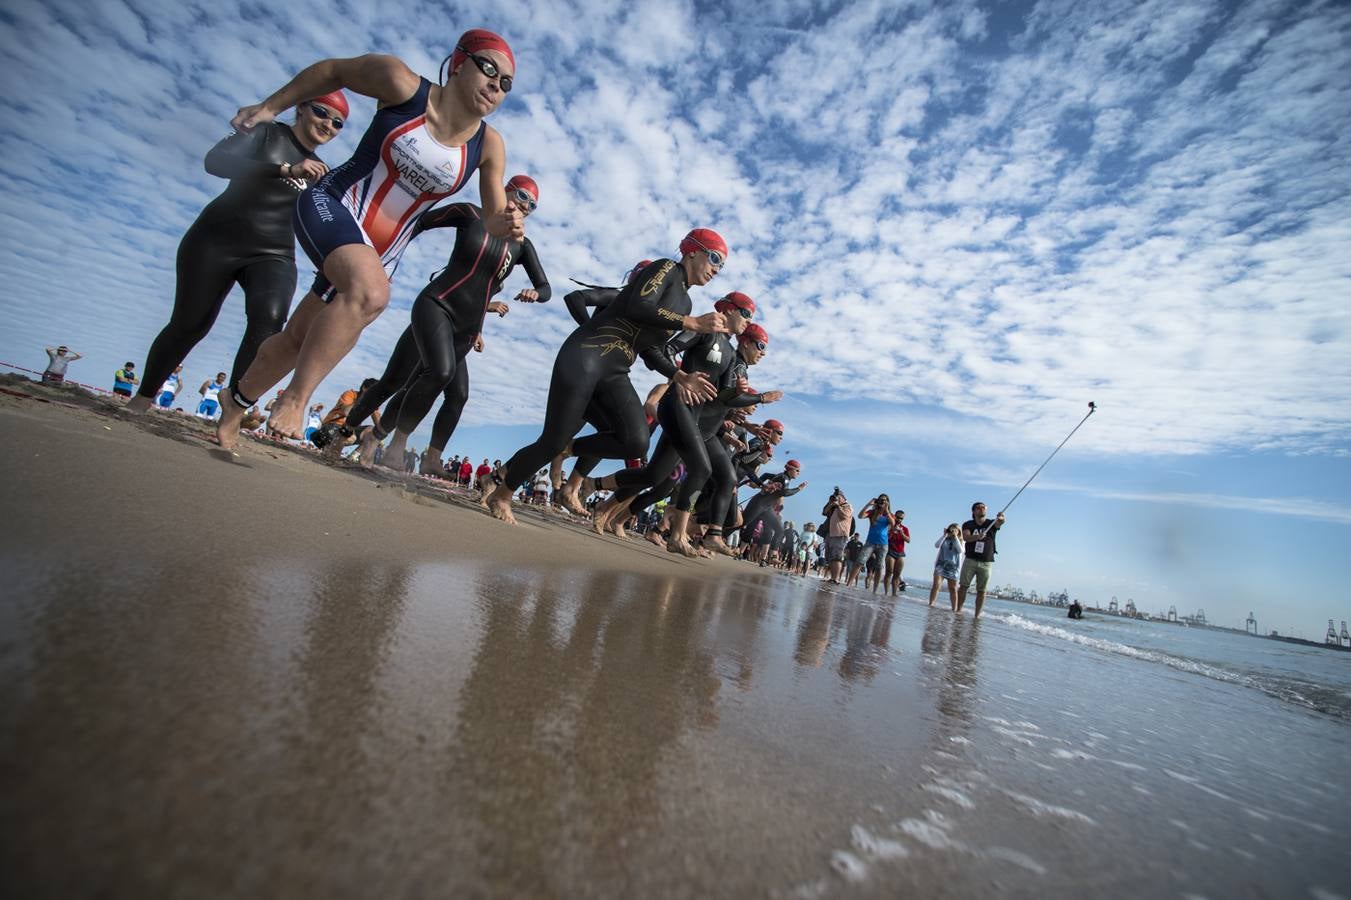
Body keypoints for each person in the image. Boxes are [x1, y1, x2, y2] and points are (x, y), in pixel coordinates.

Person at [215, 30, 523, 449]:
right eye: (489, 69)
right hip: (334, 205)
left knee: (299, 337)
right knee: (370, 292)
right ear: (457, 63)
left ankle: (234, 402)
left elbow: (490, 217)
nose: (495, 85)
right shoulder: (401, 84)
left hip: (384, 249)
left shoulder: (489, 145)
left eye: (506, 83)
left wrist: (503, 225)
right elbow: (332, 72)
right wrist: (270, 108)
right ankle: (295, 398)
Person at [484, 230, 733, 525]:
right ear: (693, 251)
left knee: (636, 441)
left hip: (616, 370)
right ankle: (502, 493)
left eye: (722, 265)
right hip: (587, 354)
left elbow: (651, 349)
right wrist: (689, 323)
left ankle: (568, 449)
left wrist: (680, 375)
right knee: (551, 439)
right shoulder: (666, 267)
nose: (717, 269)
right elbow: (638, 306)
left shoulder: (686, 304)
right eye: (715, 258)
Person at [127, 90, 345, 415]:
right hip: (215, 240)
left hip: (273, 251)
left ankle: (234, 410)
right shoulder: (266, 132)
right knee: (190, 325)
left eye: (338, 122)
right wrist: (285, 171)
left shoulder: (322, 174)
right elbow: (215, 162)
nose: (328, 124)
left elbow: (319, 222)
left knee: (269, 319)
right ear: (301, 108)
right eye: (321, 112)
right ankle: (143, 398)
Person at [351, 174, 550, 471]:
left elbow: (546, 289)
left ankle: (381, 438)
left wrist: (535, 293)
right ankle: (382, 439)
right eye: (521, 196)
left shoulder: (522, 246)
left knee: (447, 388)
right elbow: (419, 222)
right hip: (437, 305)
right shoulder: (470, 213)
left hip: (467, 327)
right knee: (420, 375)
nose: (525, 206)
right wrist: (384, 256)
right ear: (504, 190)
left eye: (532, 205)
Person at [958, 502, 1006, 618]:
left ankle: (977, 616)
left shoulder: (991, 523)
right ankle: (958, 610)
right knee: (964, 586)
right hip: (970, 559)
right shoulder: (968, 524)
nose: (982, 509)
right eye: (978, 508)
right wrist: (977, 537)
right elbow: (966, 537)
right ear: (974, 511)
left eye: (984, 507)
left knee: (982, 590)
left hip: (986, 562)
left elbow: (1000, 523)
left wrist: (1001, 518)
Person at [857, 495, 894, 592]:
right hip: (870, 542)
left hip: (883, 544)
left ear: (888, 502)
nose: (882, 502)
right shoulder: (872, 512)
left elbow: (893, 524)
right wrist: (869, 504)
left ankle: (875, 590)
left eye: (885, 500)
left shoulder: (889, 514)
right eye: (881, 500)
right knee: (860, 562)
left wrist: (887, 511)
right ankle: (849, 584)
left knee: (879, 567)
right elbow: (860, 516)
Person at [821, 488, 854, 584]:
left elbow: (845, 516)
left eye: (838, 497)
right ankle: (832, 578)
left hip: (840, 534)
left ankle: (835, 579)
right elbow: (824, 512)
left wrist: (838, 506)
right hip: (830, 534)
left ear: (843, 498)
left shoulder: (848, 506)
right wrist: (830, 504)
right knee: (830, 556)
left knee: (837, 557)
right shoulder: (833, 506)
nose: (836, 499)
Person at [929, 524, 964, 610]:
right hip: (941, 565)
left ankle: (954, 609)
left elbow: (960, 551)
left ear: (959, 532)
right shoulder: (945, 539)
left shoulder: (961, 541)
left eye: (955, 530)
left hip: (953, 568)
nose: (953, 532)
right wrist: (944, 535)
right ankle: (931, 604)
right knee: (936, 585)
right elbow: (936, 545)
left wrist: (955, 537)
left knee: (953, 588)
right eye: (951, 529)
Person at [884, 508, 911, 595]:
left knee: (897, 574)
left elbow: (908, 540)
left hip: (900, 553)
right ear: (894, 516)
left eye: (901, 518)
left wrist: (901, 533)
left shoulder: (905, 528)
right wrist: (892, 531)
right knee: (889, 572)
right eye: (898, 517)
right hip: (890, 551)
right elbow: (885, 538)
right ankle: (886, 592)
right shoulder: (889, 525)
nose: (899, 519)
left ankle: (894, 594)